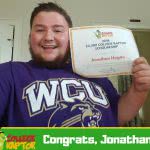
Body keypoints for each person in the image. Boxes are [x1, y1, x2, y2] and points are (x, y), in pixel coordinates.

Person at [0, 2, 150, 127]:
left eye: (58, 30)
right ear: (30, 36)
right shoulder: (9, 72)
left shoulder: (94, 74)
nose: (48, 37)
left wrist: (139, 90)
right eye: (40, 30)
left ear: (71, 37)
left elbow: (117, 116)